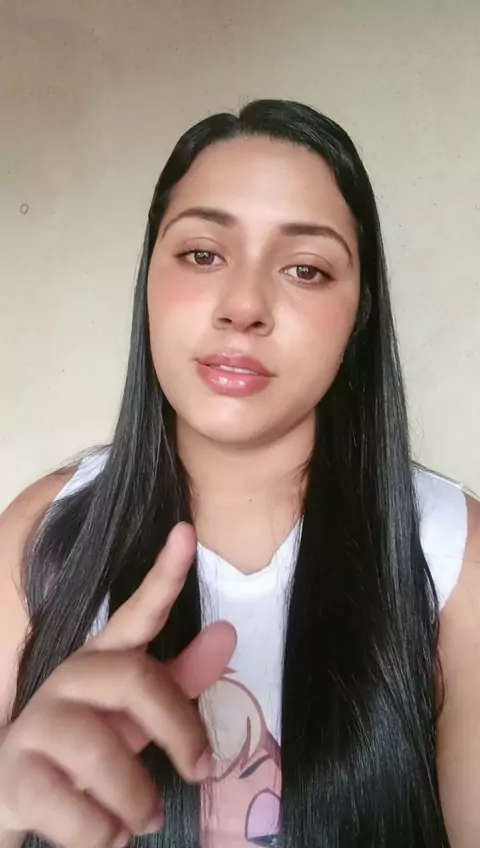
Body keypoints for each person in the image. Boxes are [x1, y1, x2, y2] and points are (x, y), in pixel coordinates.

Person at [0, 99, 478, 848]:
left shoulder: (453, 554)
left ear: (359, 313)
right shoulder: (45, 532)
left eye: (306, 269)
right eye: (202, 255)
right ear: (148, 281)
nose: (245, 306)